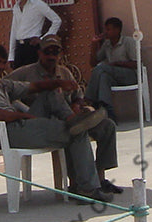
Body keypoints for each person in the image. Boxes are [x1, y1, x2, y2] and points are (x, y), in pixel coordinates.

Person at [0, 42, 112, 202]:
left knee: (50, 94)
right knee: (77, 132)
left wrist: (58, 83)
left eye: (3, 62)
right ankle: (88, 189)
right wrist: (21, 116)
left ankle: (72, 120)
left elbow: (33, 87)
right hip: (7, 133)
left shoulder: (0, 83)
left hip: (19, 126)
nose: (1, 67)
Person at [10, 35, 122, 195]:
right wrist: (20, 111)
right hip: (43, 121)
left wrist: (77, 106)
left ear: (60, 54)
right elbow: (4, 88)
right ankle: (77, 183)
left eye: (55, 52)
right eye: (47, 52)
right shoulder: (25, 73)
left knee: (107, 126)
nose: (51, 56)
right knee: (72, 128)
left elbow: (78, 96)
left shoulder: (64, 72)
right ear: (40, 53)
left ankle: (99, 177)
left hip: (70, 115)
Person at [85, 17, 139, 122]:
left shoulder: (128, 42)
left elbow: (136, 64)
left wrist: (117, 64)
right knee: (103, 76)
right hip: (114, 76)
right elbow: (93, 63)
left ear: (117, 30)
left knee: (102, 68)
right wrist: (94, 44)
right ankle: (108, 111)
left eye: (108, 29)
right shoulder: (107, 45)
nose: (106, 32)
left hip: (130, 75)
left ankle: (89, 100)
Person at [7, 0, 62, 68]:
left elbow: (57, 20)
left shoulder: (38, 4)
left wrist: (42, 39)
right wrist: (11, 55)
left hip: (32, 45)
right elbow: (14, 30)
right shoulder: (16, 6)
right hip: (19, 46)